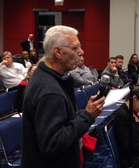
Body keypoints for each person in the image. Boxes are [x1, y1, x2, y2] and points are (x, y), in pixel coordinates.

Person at [22, 25, 105, 168]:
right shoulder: (50, 91)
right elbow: (53, 144)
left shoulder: (46, 76)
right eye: (75, 48)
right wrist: (87, 116)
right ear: (58, 53)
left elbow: (61, 119)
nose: (81, 52)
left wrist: (84, 112)